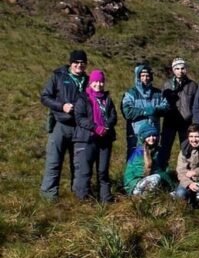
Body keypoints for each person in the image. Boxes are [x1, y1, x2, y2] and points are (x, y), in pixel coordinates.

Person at [40, 50, 89, 200]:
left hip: (80, 128)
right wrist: (62, 106)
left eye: (82, 62)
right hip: (60, 125)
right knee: (54, 161)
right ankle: (49, 196)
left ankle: (78, 195)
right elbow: (45, 97)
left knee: (79, 164)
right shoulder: (58, 76)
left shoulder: (88, 81)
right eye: (76, 62)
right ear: (71, 63)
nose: (79, 65)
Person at [73, 69, 117, 203]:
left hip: (105, 140)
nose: (98, 84)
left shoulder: (107, 99)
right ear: (91, 82)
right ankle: (84, 201)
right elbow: (80, 118)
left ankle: (106, 199)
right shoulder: (82, 98)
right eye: (96, 81)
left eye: (101, 81)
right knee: (85, 172)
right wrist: (95, 127)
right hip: (86, 139)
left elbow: (113, 116)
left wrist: (107, 127)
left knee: (103, 172)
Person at [121, 63, 169, 160]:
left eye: (147, 75)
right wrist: (144, 112)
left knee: (154, 157)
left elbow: (166, 107)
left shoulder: (158, 93)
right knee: (135, 158)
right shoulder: (131, 93)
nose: (145, 78)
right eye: (142, 76)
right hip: (136, 133)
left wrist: (156, 110)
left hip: (153, 132)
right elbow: (127, 111)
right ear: (138, 77)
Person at [160, 57, 198, 169]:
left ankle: (186, 174)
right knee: (164, 149)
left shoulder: (193, 85)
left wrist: (194, 122)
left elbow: (196, 106)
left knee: (187, 149)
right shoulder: (166, 85)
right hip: (169, 121)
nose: (180, 71)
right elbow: (161, 103)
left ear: (186, 69)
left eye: (182, 68)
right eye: (177, 68)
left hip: (186, 123)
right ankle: (162, 174)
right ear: (173, 70)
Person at [123, 123, 174, 196]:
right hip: (134, 183)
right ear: (143, 137)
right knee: (156, 178)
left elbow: (163, 167)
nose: (152, 138)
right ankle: (142, 196)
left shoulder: (156, 150)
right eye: (148, 136)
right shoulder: (138, 153)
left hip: (149, 180)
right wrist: (163, 175)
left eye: (154, 135)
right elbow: (142, 173)